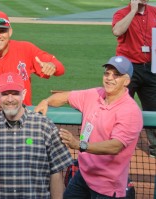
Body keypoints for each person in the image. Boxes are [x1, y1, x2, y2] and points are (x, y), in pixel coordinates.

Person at [35, 56, 143, 198]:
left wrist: (79, 145)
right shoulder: (95, 94)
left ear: (126, 81)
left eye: (116, 75)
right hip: (84, 176)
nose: (109, 78)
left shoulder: (129, 111)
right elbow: (66, 96)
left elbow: (115, 146)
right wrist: (46, 101)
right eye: (107, 73)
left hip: (107, 186)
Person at [0, 72, 73, 198]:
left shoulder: (45, 127)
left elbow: (56, 174)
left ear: (24, 94)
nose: (10, 99)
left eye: (15, 93)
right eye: (4, 94)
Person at [0, 10, 65, 115]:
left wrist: (52, 66)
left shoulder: (26, 49)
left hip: (23, 118)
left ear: (10, 31)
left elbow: (60, 69)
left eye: (2, 31)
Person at [112, 0, 156, 158]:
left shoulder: (154, 12)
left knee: (153, 108)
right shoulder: (122, 13)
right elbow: (117, 31)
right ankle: (116, 143)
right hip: (127, 68)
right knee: (121, 107)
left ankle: (155, 149)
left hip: (151, 68)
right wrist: (133, 10)